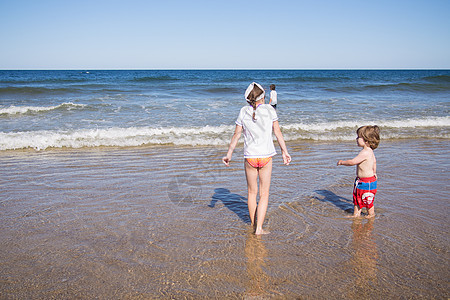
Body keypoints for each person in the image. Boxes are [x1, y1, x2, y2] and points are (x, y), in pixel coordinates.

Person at [222, 82, 291, 235]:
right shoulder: (270, 110)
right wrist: (284, 152)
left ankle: (254, 225)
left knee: (252, 193)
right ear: (263, 96)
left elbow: (236, 135)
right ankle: (259, 228)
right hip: (266, 157)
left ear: (248, 99)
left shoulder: (243, 111)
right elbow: (278, 133)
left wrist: (229, 154)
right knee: (264, 193)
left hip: (250, 158)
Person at [337, 125, 380, 218]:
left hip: (366, 182)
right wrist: (374, 172)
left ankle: (371, 215)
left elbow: (353, 162)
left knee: (367, 199)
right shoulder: (370, 152)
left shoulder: (365, 152)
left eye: (358, 137)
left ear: (366, 140)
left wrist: (342, 162)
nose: (356, 139)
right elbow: (374, 162)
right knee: (358, 198)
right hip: (363, 181)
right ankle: (356, 214)